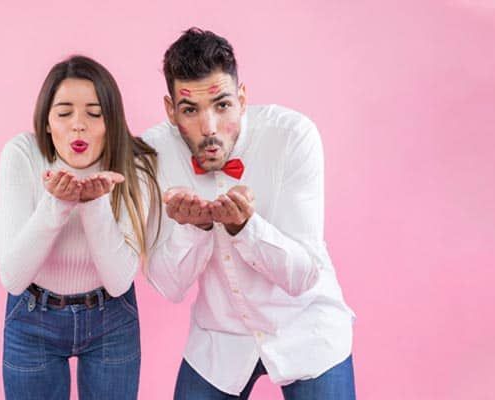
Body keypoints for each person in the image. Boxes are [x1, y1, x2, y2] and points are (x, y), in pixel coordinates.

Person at [142, 28, 357, 399]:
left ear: (242, 99)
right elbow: (167, 286)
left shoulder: (292, 136)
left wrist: (246, 228)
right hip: (218, 340)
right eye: (190, 110)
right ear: (170, 110)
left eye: (222, 105)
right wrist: (194, 229)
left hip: (305, 328)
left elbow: (304, 275)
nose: (208, 129)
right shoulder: (153, 154)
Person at [0, 55, 160, 400]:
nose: (78, 126)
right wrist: (56, 203)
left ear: (111, 122)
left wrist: (93, 203)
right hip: (32, 317)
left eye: (94, 114)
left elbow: (118, 282)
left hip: (111, 319)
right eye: (64, 113)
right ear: (46, 122)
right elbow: (13, 277)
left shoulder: (135, 165)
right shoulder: (22, 155)